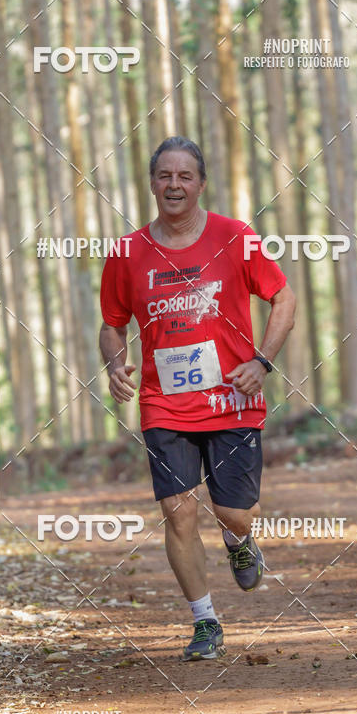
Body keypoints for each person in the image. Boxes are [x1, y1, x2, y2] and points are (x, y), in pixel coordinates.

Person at [99, 136, 296, 661]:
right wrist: (115, 363)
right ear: (151, 184)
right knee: (177, 510)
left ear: (201, 183)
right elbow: (112, 325)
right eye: (164, 175)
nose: (174, 185)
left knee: (234, 511)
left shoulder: (235, 237)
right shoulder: (127, 252)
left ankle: (239, 541)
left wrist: (262, 361)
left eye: (185, 176)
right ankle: (205, 621)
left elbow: (283, 297)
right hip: (164, 402)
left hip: (232, 398)